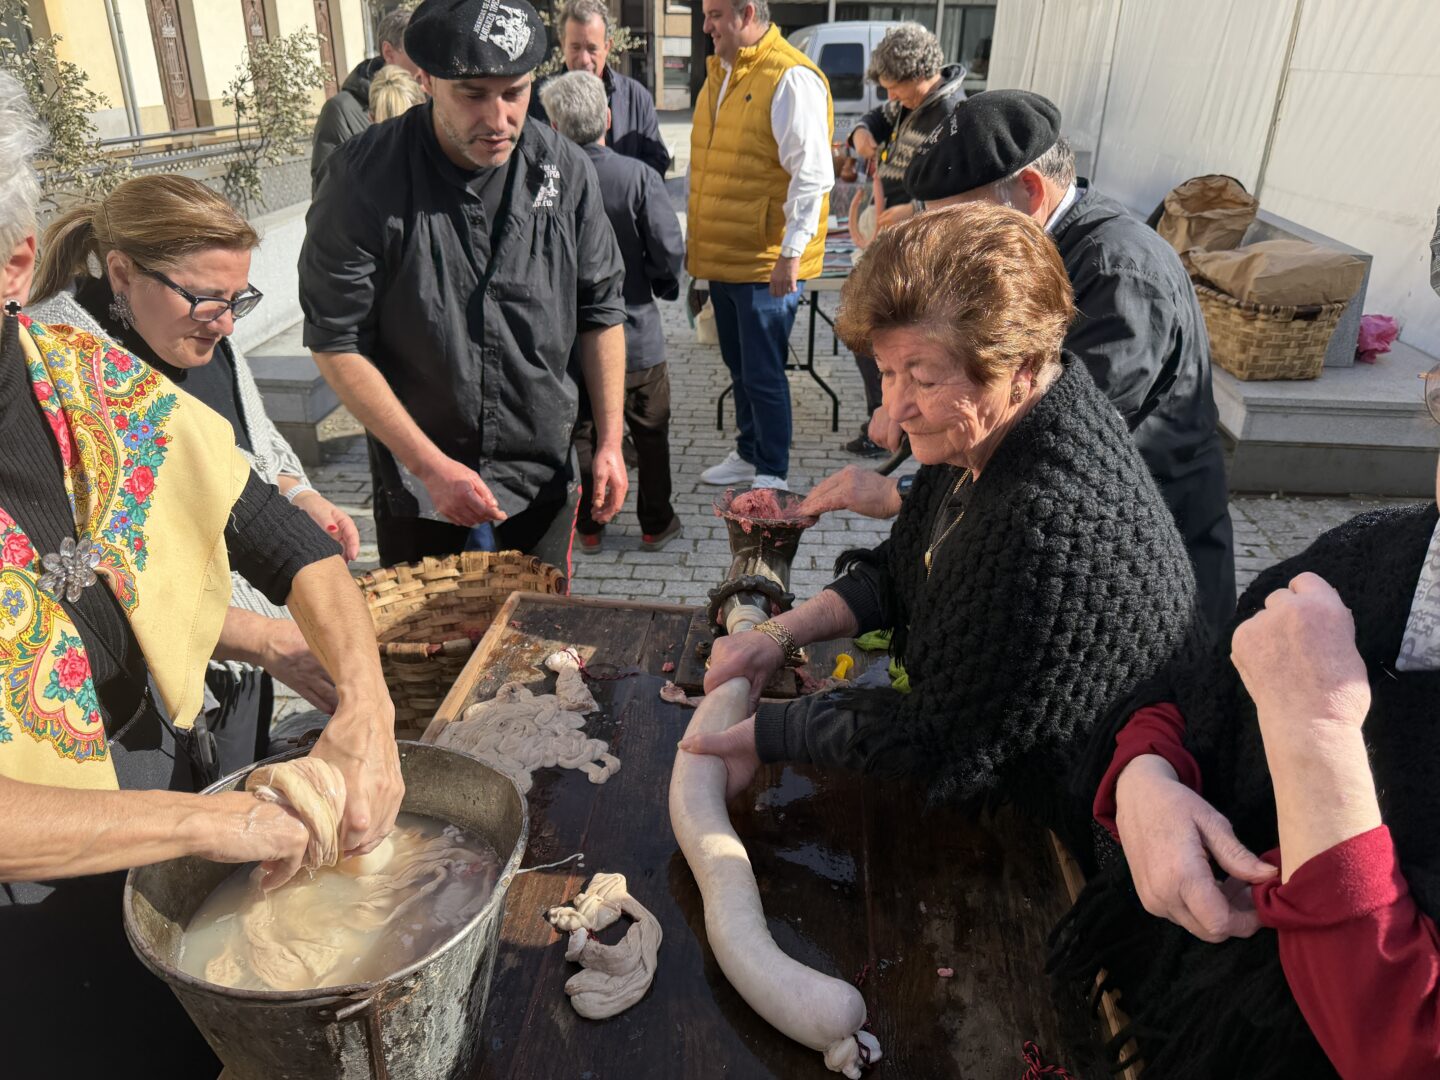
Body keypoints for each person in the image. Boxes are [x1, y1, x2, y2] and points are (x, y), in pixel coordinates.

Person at [0, 72, 402, 1075]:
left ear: (12, 261)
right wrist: (216, 822)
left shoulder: (92, 386)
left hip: (150, 774)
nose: (222, 317)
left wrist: (366, 708)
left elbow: (289, 542)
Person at [682, 205, 1197, 863]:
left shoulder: (1048, 523)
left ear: (1019, 363)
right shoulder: (981, 434)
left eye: (922, 378)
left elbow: (935, 736)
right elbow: (900, 566)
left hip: (1094, 844)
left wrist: (765, 736)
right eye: (887, 373)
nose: (893, 411)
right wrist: (773, 638)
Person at [1049, 266, 1440, 1080]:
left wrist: (1316, 740)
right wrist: (1144, 780)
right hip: (1167, 1019)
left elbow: (1406, 1045)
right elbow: (1185, 693)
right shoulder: (1367, 563)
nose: (891, 409)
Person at [810, 91, 1237, 639]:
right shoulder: (1042, 249)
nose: (951, 249)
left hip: (1150, 574)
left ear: (1029, 192)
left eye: (960, 225)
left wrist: (902, 492)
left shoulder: (1119, 271)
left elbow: (1043, 434)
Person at [27, 174, 359, 777]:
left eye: (239, 300)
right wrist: (260, 637)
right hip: (143, 703)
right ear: (123, 272)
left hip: (250, 664)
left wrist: (298, 493)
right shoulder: (58, 366)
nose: (228, 323)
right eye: (208, 299)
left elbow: (254, 446)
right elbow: (96, 575)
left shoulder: (201, 331)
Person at [300, 0, 628, 573]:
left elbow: (600, 309)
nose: (498, 119)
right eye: (473, 95)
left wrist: (609, 442)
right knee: (431, 652)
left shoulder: (565, 171)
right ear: (425, 79)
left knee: (539, 647)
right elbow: (335, 340)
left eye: (516, 93)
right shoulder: (363, 180)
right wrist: (428, 467)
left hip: (542, 474)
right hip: (422, 484)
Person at [690, 0, 834, 493]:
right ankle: (749, 452)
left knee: (764, 373)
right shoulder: (723, 72)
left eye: (714, 14)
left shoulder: (789, 77)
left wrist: (790, 253)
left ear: (746, 12)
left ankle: (771, 472)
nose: (705, 25)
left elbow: (811, 174)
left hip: (764, 263)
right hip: (728, 258)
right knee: (740, 367)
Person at [540, 72, 685, 554]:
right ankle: (655, 523)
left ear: (554, 127)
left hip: (571, 339)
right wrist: (659, 284)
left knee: (583, 433)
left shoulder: (546, 184)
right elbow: (668, 247)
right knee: (650, 433)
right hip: (637, 329)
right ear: (607, 118)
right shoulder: (639, 176)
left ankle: (589, 527)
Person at [840, 22, 966, 458]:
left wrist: (912, 211)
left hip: (920, 250)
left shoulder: (950, 116)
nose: (891, 98)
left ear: (920, 76)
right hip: (893, 240)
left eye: (896, 89)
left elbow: (960, 196)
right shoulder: (911, 104)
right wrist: (861, 131)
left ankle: (897, 426)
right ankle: (887, 419)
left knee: (886, 338)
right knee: (870, 336)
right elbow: (879, 116)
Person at [528, 0, 670, 177]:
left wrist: (625, 188)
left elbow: (656, 163)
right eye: (575, 47)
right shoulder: (538, 99)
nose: (584, 59)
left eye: (592, 48)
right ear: (563, 43)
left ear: (607, 46)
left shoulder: (637, 98)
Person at [311, 4, 418, 189]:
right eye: (416, 51)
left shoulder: (433, 99)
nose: (425, 61)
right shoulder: (340, 112)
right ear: (388, 53)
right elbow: (326, 196)